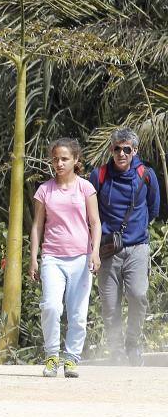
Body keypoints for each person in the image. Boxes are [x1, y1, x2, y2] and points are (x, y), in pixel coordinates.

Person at [29, 138, 101, 378]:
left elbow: (95, 222)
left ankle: (71, 358)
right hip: (52, 257)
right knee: (50, 306)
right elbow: (37, 226)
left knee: (78, 312)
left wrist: (95, 251)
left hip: (81, 258)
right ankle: (52, 355)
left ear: (76, 160)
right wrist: (33, 258)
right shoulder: (44, 190)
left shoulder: (85, 188)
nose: (59, 163)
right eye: (55, 159)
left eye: (64, 159)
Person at [88, 128, 160, 366]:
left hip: (137, 248)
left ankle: (133, 343)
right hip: (107, 250)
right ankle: (116, 350)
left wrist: (136, 231)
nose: (121, 153)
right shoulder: (98, 175)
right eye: (117, 148)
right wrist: (97, 245)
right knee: (110, 304)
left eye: (126, 149)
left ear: (134, 151)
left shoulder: (146, 175)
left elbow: (154, 208)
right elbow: (91, 212)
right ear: (111, 150)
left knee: (138, 295)